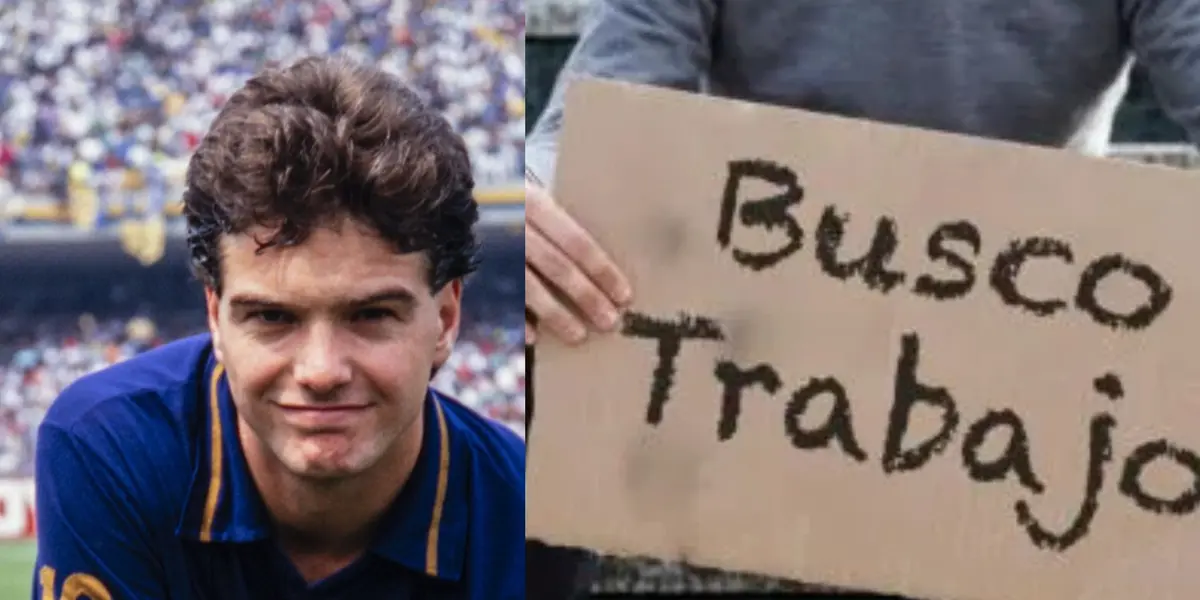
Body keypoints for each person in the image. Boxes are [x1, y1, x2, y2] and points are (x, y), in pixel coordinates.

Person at [524, 0, 1200, 596]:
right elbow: (597, 117)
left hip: (1037, 329)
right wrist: (538, 209)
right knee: (532, 289)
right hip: (768, 330)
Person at [33, 56, 524, 599]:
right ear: (216, 317)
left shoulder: (526, 513)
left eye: (371, 315)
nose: (320, 371)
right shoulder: (110, 448)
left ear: (446, 319)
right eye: (272, 317)